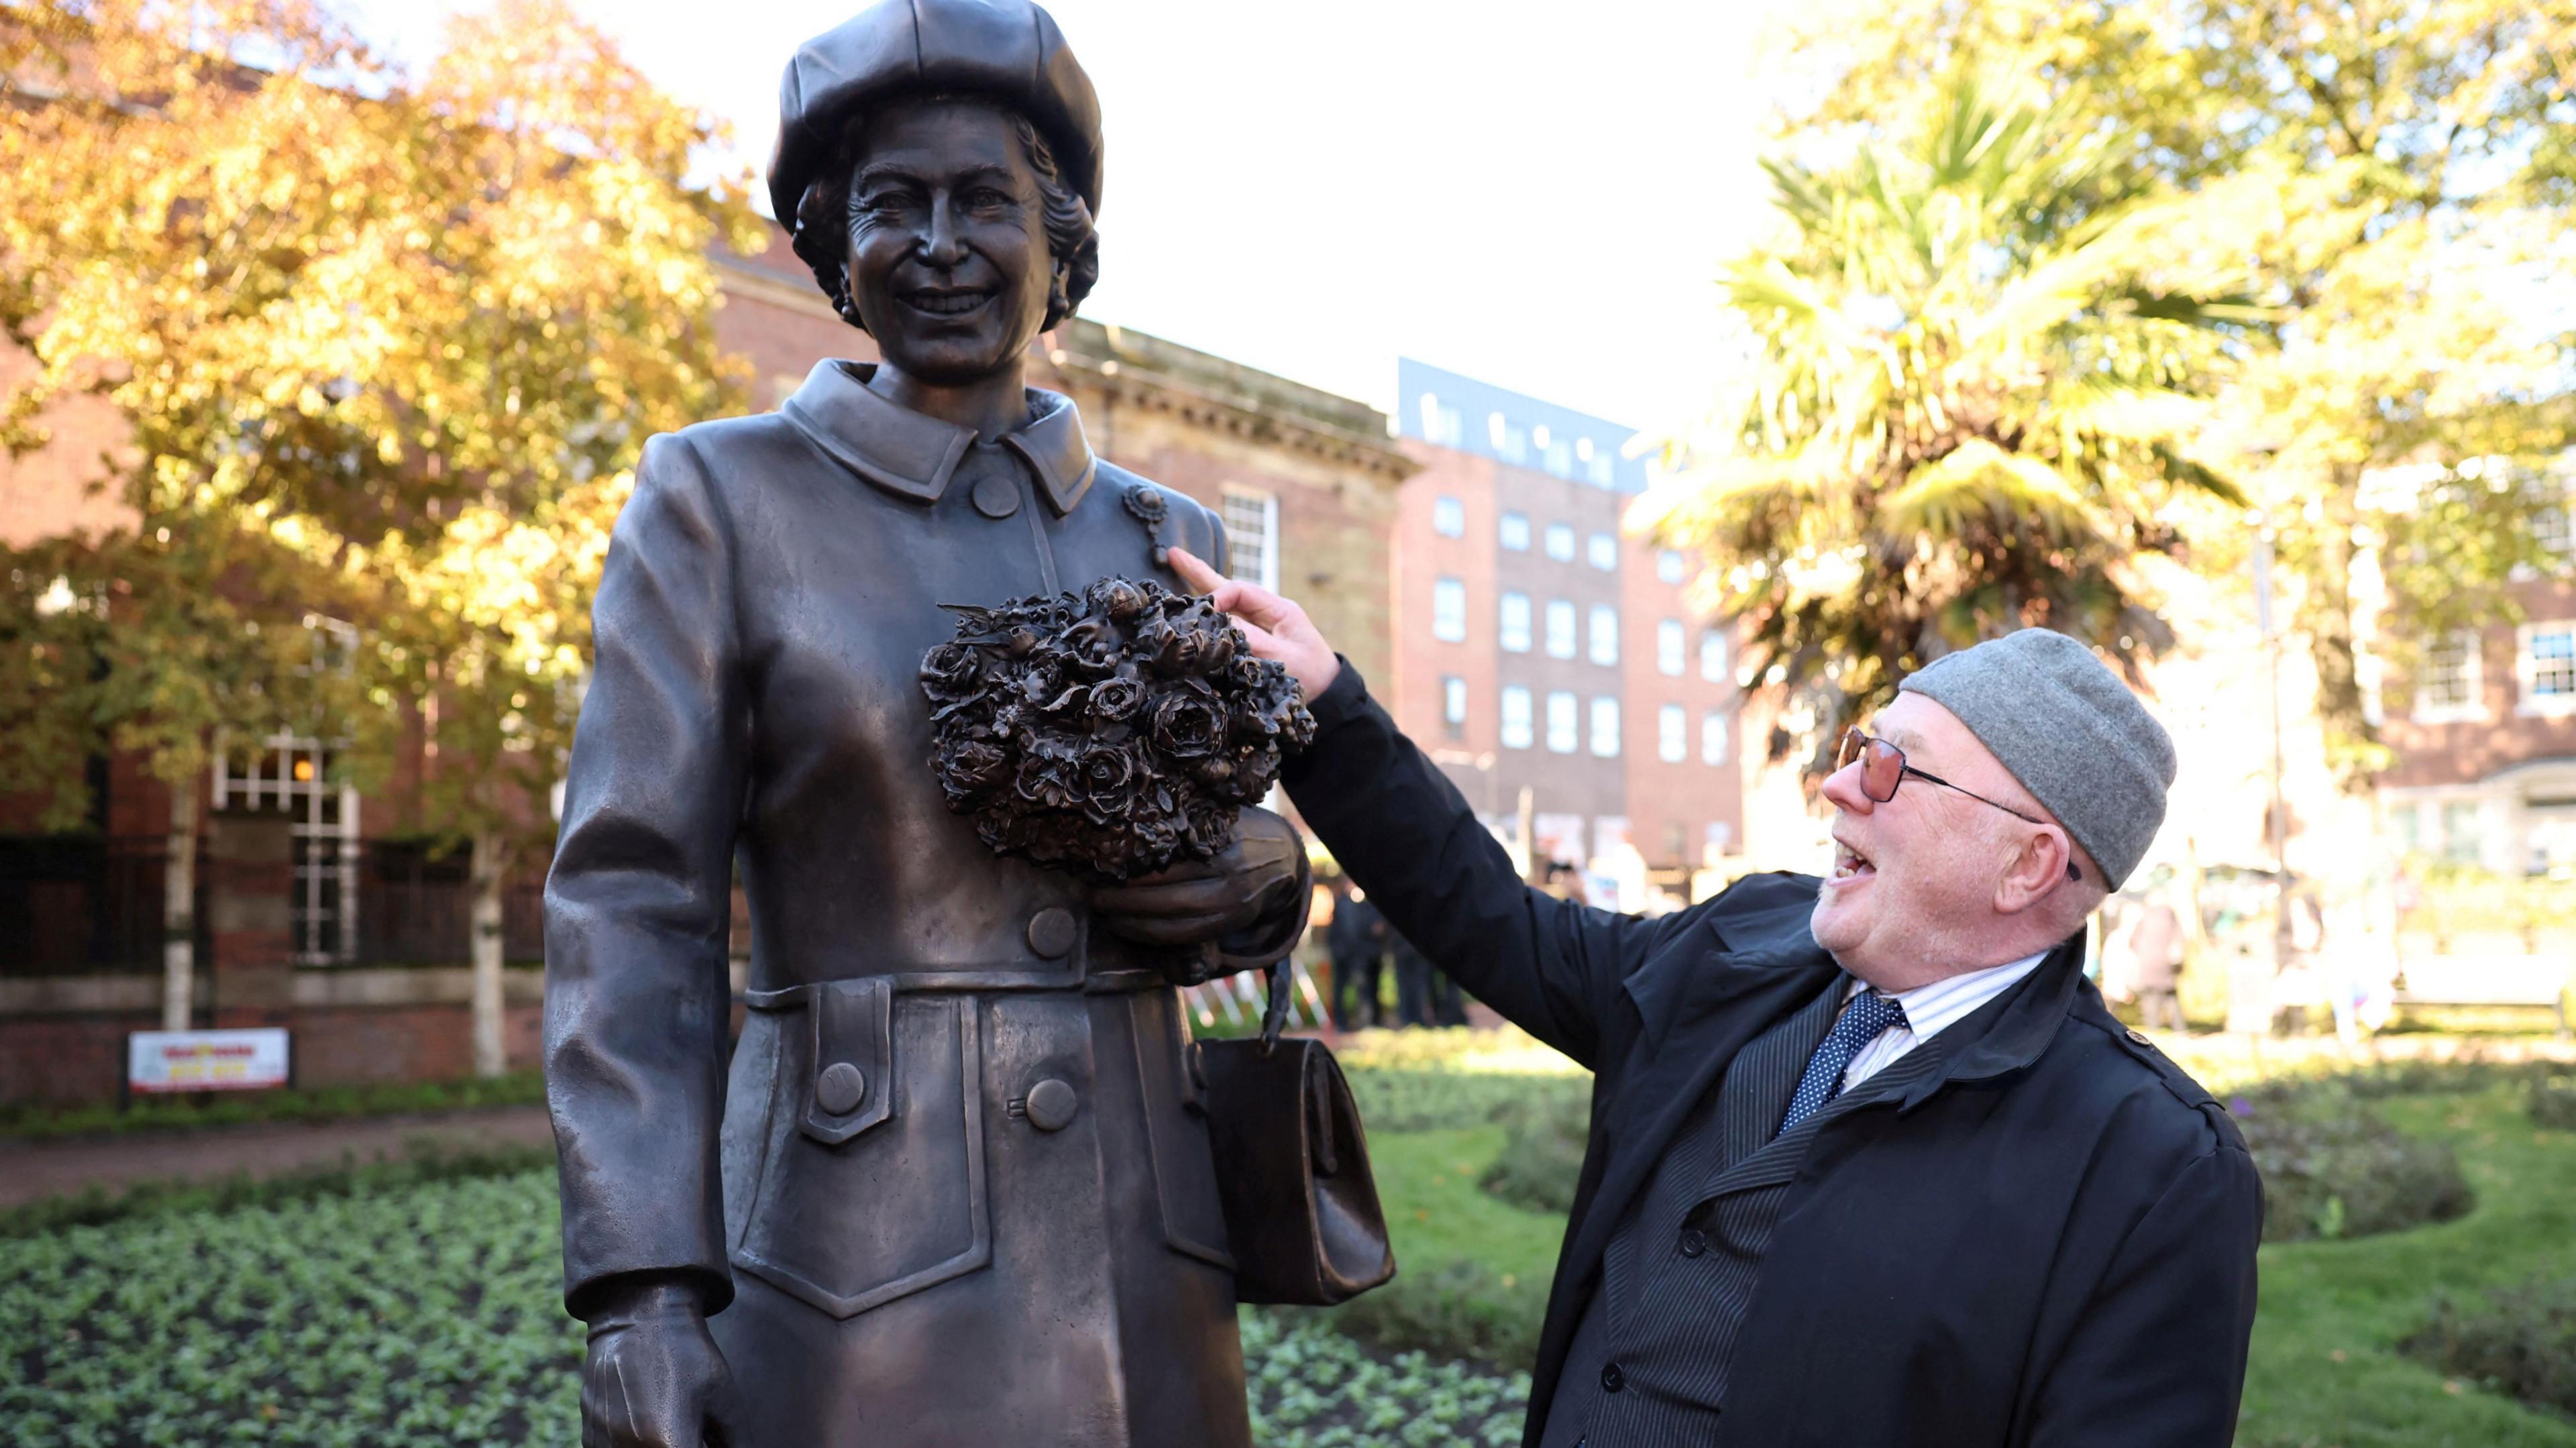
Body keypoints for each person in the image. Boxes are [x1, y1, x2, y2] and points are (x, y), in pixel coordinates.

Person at [543, 7, 1309, 1445]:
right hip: (852, 1261)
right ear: (837, 247)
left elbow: (1238, 818)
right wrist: (642, 1286)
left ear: (1061, 242)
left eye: (987, 203)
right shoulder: (717, 498)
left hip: (1151, 1258)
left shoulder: (1169, 530)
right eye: (892, 207)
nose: (941, 245)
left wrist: (1266, 878)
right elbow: (631, 898)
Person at [1170, 546, 2262, 1448]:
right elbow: (1493, 918)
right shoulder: (1742, 941)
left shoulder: (2151, 1170)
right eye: (1855, 749)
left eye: (1891, 768)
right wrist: (1328, 705)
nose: (1837, 785)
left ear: (2027, 865)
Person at [2124, 887, 2188, 1033]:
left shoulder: (2145, 917)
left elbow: (2133, 940)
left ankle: (2153, 1030)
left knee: (2150, 1000)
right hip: (2165, 965)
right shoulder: (2171, 917)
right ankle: (2180, 1031)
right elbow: (2180, 940)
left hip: (2147, 964)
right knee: (2171, 999)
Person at [1326, 883, 1388, 1029]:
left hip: (1353, 954)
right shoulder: (1345, 905)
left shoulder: (1357, 906)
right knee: (1345, 988)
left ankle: (1360, 1020)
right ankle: (1344, 1022)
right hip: (1347, 955)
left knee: (1360, 988)